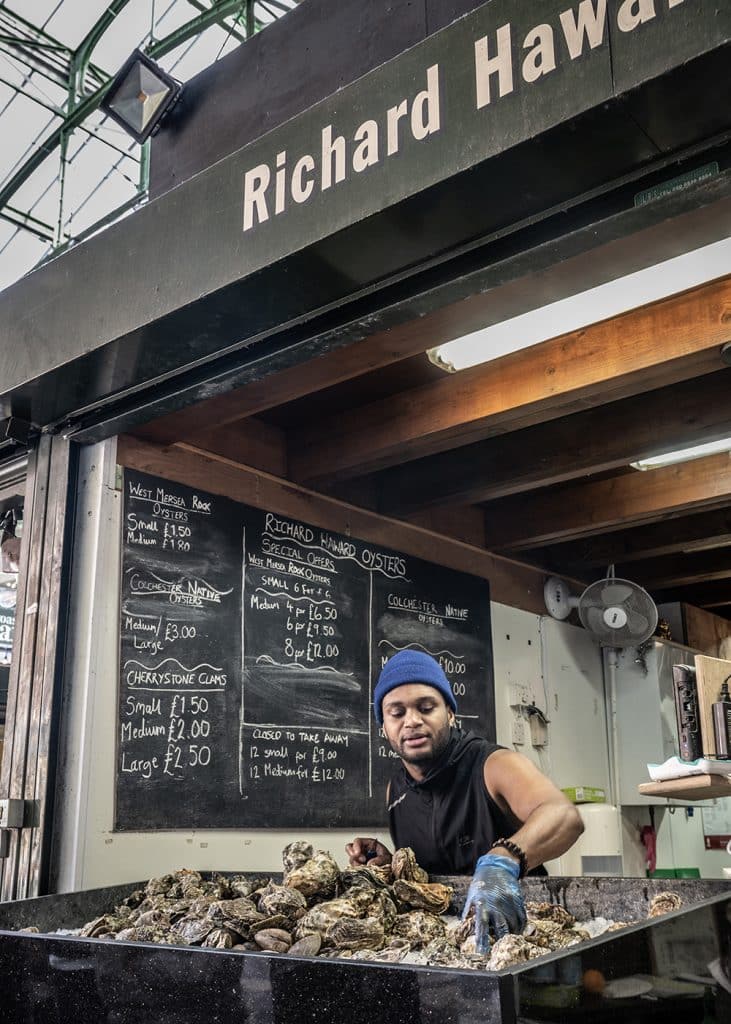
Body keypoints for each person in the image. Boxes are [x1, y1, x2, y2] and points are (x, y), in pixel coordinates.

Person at [346, 649, 584, 952]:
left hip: (518, 940)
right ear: (384, 727)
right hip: (446, 948)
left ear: (449, 712)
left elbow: (565, 817)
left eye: (426, 707)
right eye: (397, 713)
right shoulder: (396, 790)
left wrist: (503, 861)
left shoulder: (493, 764)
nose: (412, 721)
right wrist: (390, 864)